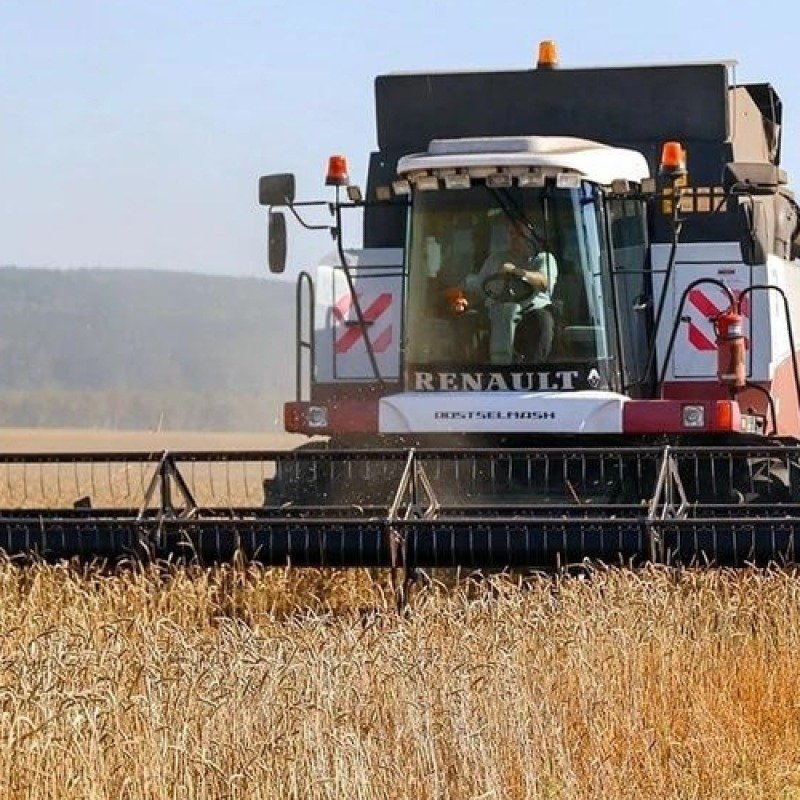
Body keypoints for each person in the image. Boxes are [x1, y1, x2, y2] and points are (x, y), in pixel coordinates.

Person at [445, 218, 558, 364]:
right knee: (466, 319)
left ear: (530, 236)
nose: (514, 238)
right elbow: (480, 288)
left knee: (542, 321)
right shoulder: (495, 259)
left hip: (529, 313)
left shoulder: (543, 259)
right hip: (494, 312)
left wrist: (516, 272)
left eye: (519, 234)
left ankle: (535, 370)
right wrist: (465, 302)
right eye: (511, 233)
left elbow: (544, 282)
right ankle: (468, 369)